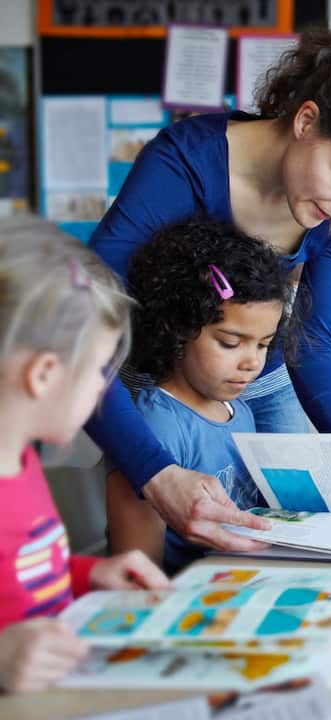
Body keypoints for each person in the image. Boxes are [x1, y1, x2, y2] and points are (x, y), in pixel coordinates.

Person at [86, 27, 331, 553]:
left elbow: (311, 343)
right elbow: (84, 326)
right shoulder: (182, 162)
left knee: (292, 540)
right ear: (305, 121)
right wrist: (155, 473)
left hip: (265, 381)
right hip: (158, 373)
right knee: (163, 534)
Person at [0, 218, 168, 693]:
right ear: (44, 374)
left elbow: (25, 578)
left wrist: (90, 574)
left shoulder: (22, 462)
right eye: (99, 369)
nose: (103, 388)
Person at [106, 221, 298, 574]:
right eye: (230, 343)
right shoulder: (156, 424)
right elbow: (137, 570)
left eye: (263, 344)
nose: (252, 362)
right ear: (178, 328)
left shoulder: (239, 410)